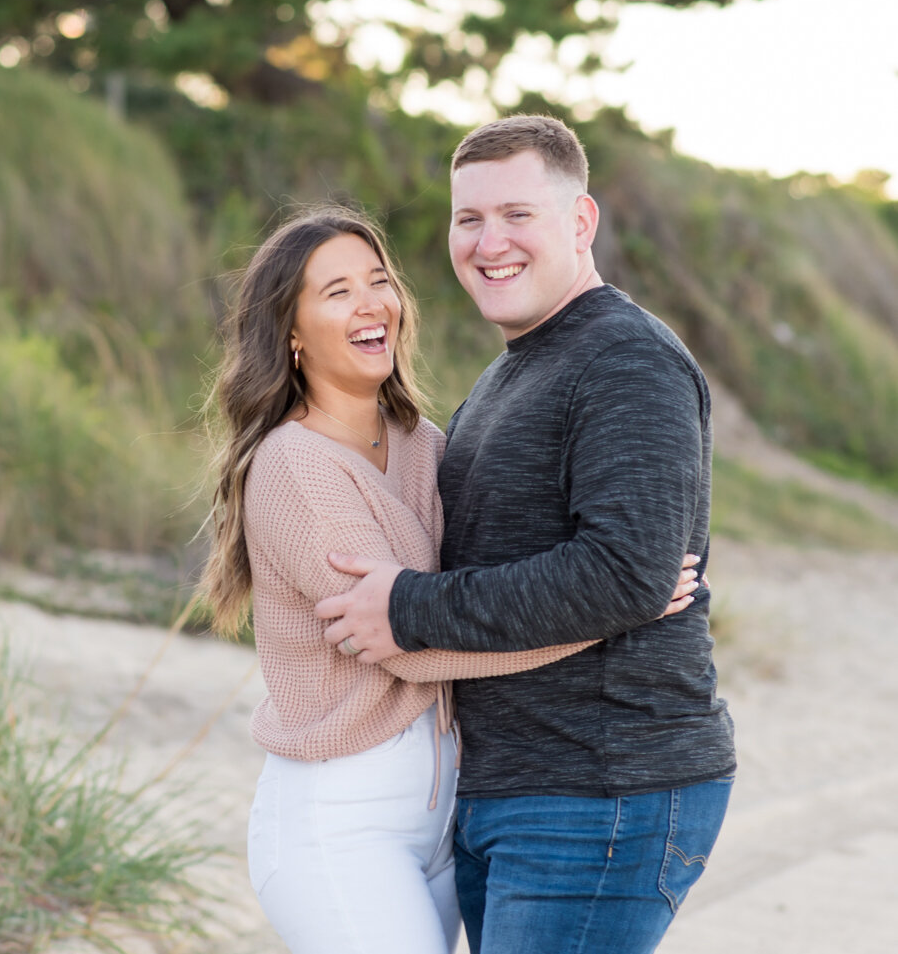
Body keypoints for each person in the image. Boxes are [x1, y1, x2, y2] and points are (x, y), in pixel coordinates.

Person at [197, 204, 700, 954]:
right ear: (291, 332)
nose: (371, 303)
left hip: (443, 817)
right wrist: (613, 609)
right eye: (336, 291)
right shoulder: (295, 467)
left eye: (379, 280)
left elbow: (475, 593)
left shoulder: (425, 441)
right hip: (340, 820)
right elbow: (405, 641)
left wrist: (608, 575)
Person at [316, 115, 735, 954]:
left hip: (602, 783)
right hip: (513, 785)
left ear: (580, 223)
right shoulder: (517, 366)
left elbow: (624, 575)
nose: (487, 241)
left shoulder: (626, 360)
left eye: (517, 214)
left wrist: (408, 608)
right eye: (467, 219)